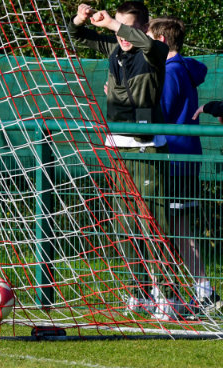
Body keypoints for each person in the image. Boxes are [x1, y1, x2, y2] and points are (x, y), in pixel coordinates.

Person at [68, 3, 177, 319]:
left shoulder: (153, 51)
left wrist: (114, 25)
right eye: (118, 27)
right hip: (117, 147)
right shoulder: (114, 47)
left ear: (142, 28)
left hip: (147, 149)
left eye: (127, 28)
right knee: (125, 224)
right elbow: (77, 36)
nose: (122, 36)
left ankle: (168, 295)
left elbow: (150, 45)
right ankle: (138, 293)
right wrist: (80, 19)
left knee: (154, 223)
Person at [147, 17, 220, 315]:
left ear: (161, 41)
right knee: (177, 228)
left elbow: (159, 114)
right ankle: (200, 291)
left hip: (172, 160)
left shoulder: (170, 72)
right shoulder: (186, 67)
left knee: (165, 228)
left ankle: (170, 292)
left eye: (148, 38)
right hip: (184, 157)